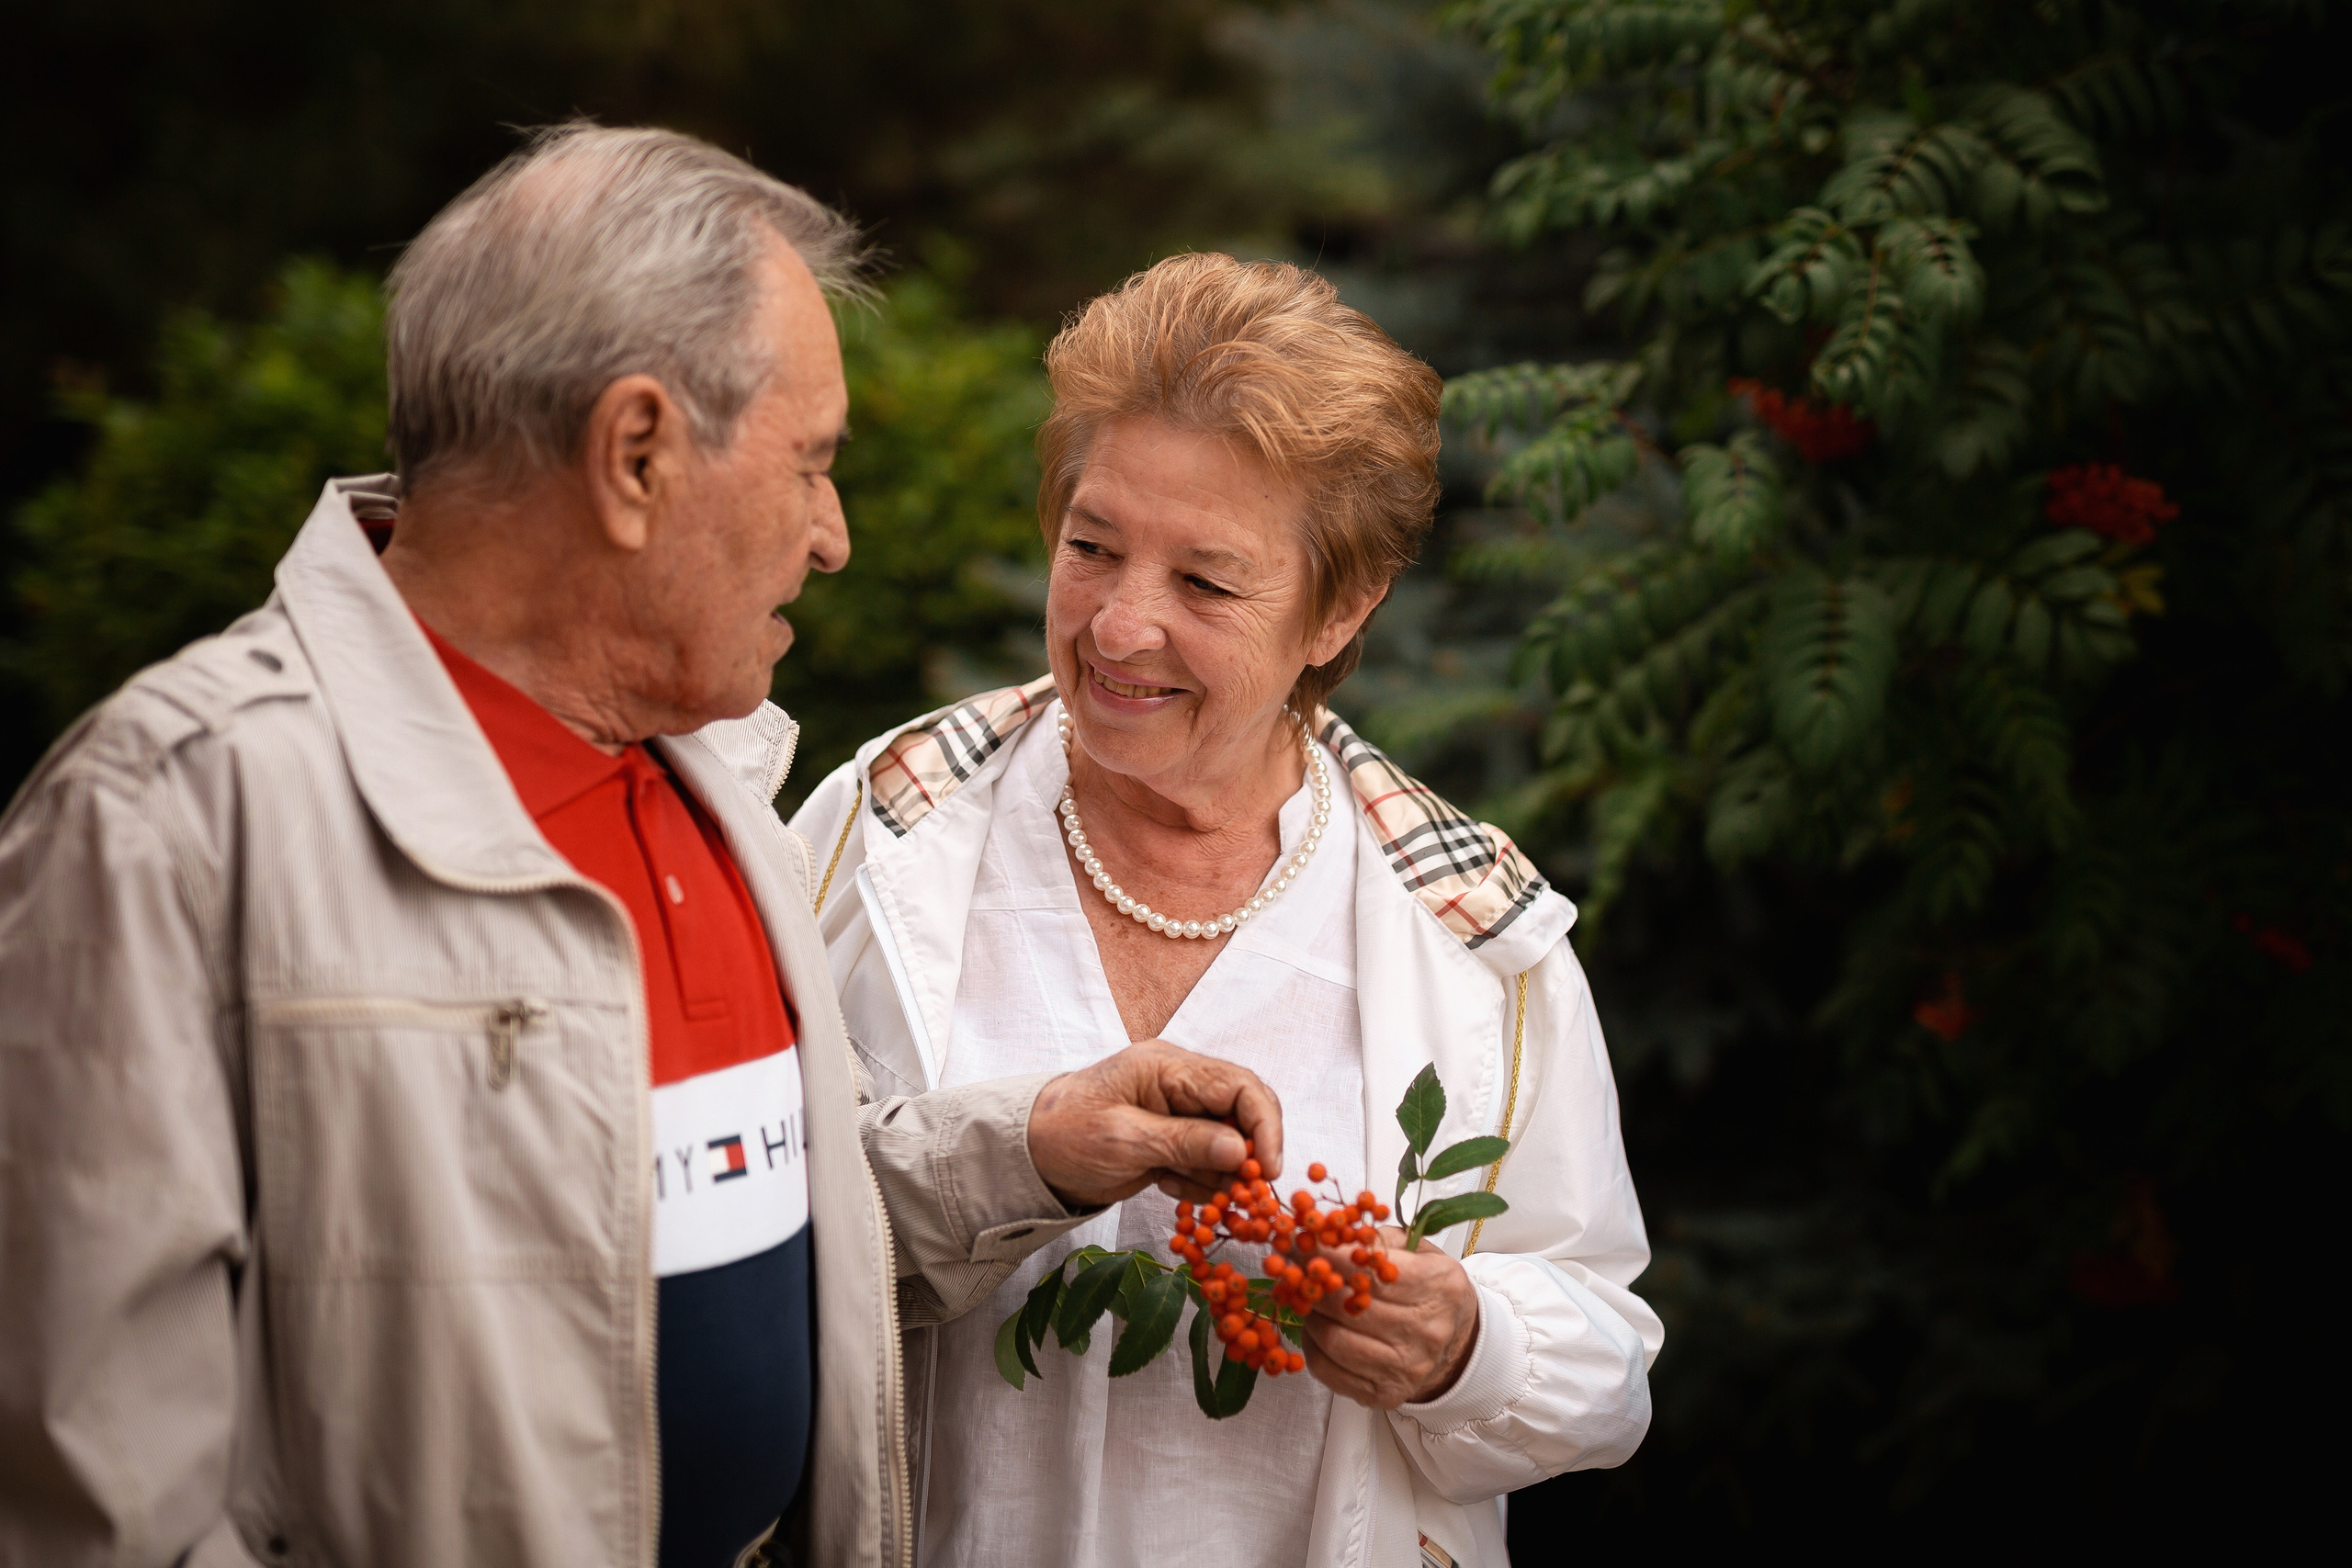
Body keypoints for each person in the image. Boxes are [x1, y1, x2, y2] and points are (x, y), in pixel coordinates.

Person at [0, 127, 1285, 1568]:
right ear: (634, 456)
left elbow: (705, 1220)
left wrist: (1029, 1153)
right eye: (810, 464)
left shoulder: (717, 784)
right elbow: (94, 1507)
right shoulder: (170, 822)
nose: (833, 534)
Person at [792, 254, 1664, 1568]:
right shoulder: (876, 835)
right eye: (1091, 548)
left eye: (1206, 584)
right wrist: (1010, 1154)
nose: (1120, 627)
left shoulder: (1472, 933)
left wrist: (1467, 1347)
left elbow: (1608, 1363)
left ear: (1341, 607)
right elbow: (730, 1233)